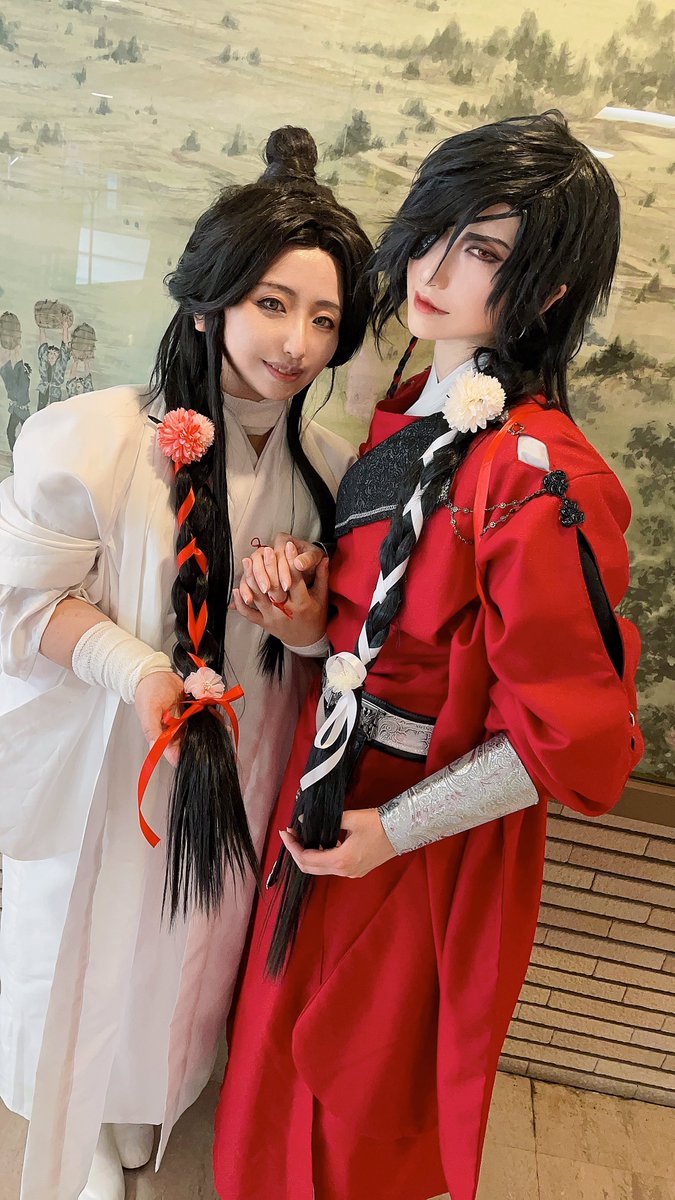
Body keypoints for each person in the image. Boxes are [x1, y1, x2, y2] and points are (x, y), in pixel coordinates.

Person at [213, 112, 644, 1200]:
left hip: (411, 824)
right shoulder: (414, 408)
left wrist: (395, 832)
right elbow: (381, 625)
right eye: (439, 229)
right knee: (279, 1044)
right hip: (333, 777)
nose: (437, 269)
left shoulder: (541, 478)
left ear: (548, 289)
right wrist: (306, 621)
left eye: (485, 250)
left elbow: (576, 745)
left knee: (356, 1082)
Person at [0, 127, 372, 1200]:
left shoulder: (333, 471)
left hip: (240, 768)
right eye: (272, 303)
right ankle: (75, 1121)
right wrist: (137, 671)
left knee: (191, 947)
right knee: (86, 935)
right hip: (111, 763)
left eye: (323, 319)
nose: (296, 342)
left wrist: (305, 626)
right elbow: (21, 604)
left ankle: (143, 1104)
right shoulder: (94, 439)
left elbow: (339, 652)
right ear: (210, 301)